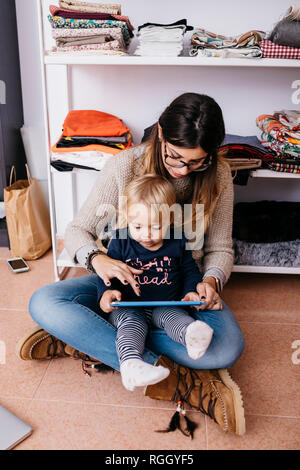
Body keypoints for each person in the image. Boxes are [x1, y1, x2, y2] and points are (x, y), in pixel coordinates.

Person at [17, 93, 246, 435]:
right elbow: (79, 231)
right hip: (123, 288)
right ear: (160, 134)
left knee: (226, 349)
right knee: (45, 302)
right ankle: (178, 380)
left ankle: (87, 338)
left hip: (181, 290)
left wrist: (210, 282)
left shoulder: (220, 176)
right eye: (175, 157)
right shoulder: (125, 165)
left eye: (197, 162)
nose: (183, 170)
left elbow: (220, 247)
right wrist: (99, 260)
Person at [98, 174, 214, 391]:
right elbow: (107, 274)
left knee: (175, 318)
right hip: (129, 306)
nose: (147, 235)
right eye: (138, 227)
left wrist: (190, 291)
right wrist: (107, 293)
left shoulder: (177, 239)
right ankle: (132, 366)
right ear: (127, 219)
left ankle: (192, 335)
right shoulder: (121, 241)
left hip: (166, 303)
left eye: (155, 227)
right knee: (131, 326)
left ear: (170, 219)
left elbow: (189, 270)